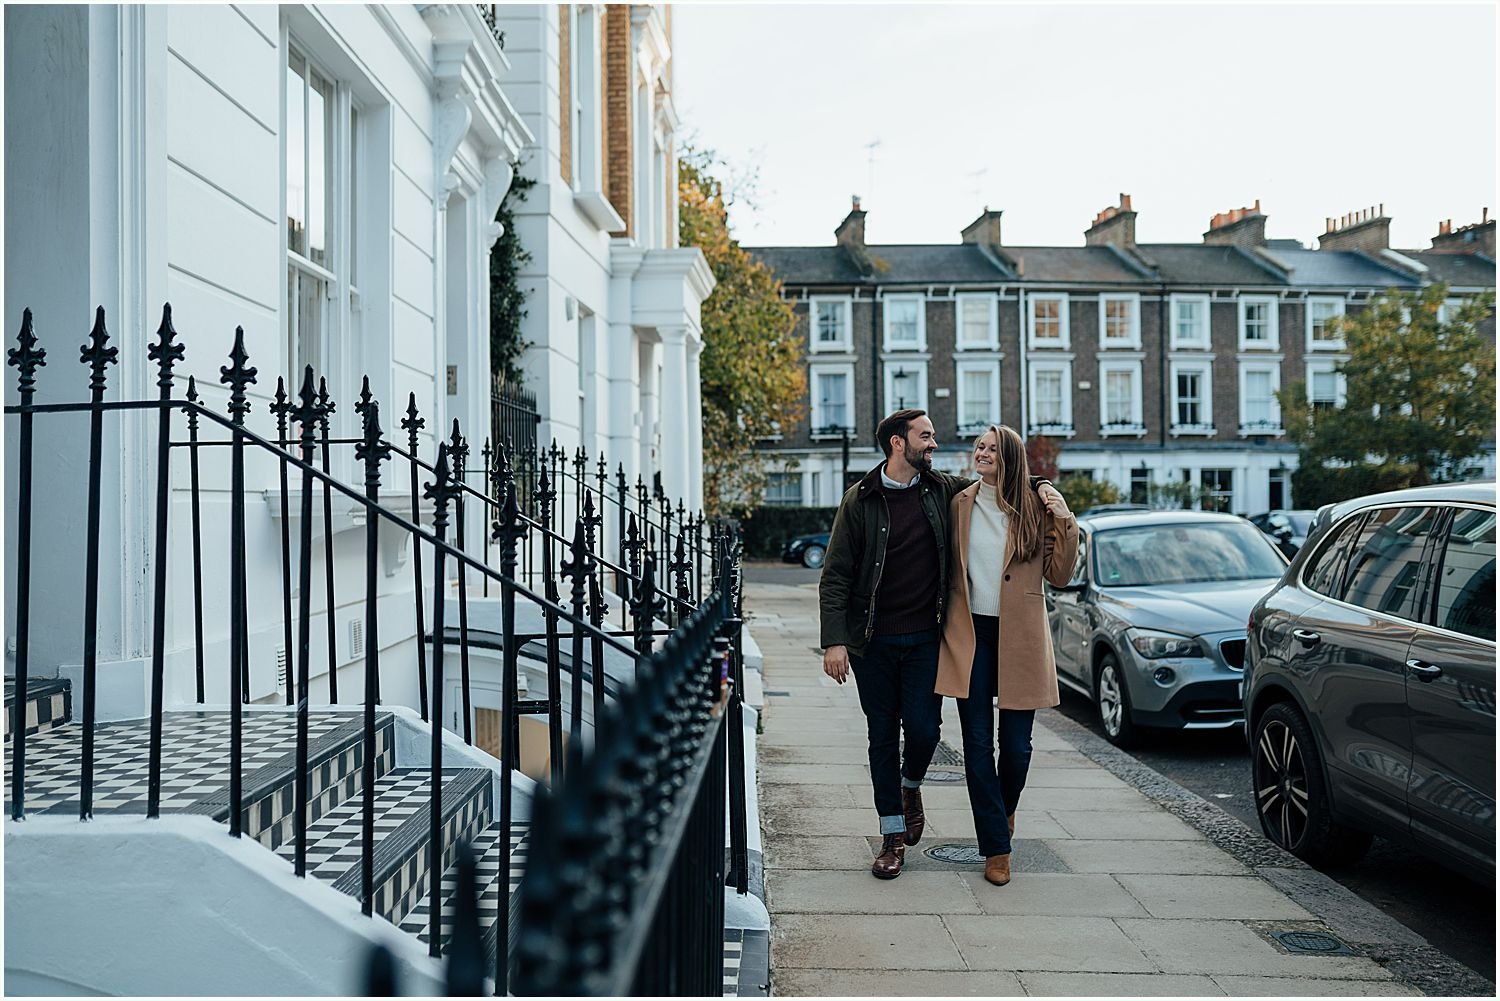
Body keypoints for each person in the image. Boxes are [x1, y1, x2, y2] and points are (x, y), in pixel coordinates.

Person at [819, 409, 1062, 880]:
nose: (934, 444)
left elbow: (1000, 484)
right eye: (925, 437)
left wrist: (1041, 486)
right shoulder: (860, 499)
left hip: (928, 639)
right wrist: (835, 641)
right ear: (897, 442)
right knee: (882, 737)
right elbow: (836, 575)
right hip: (872, 643)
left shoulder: (942, 490)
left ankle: (911, 785)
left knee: (927, 732)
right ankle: (892, 837)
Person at [935, 424, 1078, 887]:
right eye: (979, 447)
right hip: (970, 635)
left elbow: (1060, 574)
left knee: (1016, 749)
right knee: (976, 746)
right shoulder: (960, 503)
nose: (982, 453)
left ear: (1011, 457)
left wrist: (1063, 516)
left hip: (1020, 637)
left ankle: (1005, 807)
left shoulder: (1036, 506)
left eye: (993, 449)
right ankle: (996, 847)